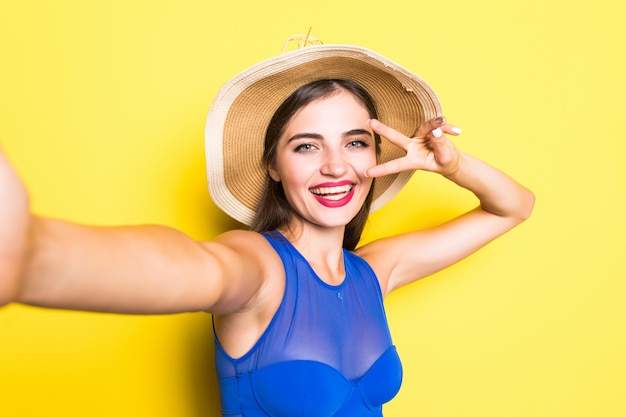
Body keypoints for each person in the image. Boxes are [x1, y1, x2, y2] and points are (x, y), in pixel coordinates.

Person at [0, 43, 534, 416]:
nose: (335, 166)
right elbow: (188, 265)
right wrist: (29, 255)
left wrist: (451, 165)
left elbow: (512, 207)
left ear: (376, 155)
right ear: (273, 166)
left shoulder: (374, 271)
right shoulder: (258, 266)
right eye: (307, 146)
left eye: (355, 142)